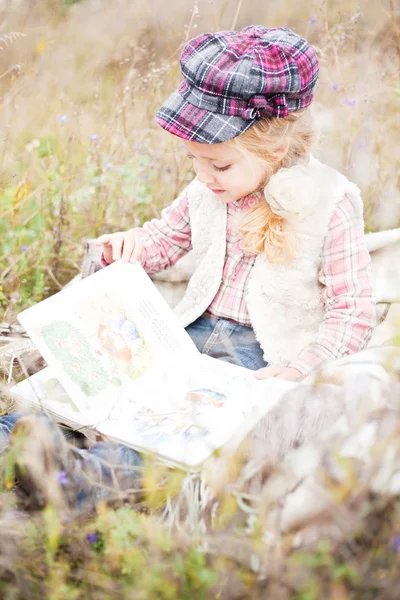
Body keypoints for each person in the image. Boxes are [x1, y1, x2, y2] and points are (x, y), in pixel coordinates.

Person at [2, 26, 375, 510]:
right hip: (185, 339)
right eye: (194, 160)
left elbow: (354, 312)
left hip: (257, 363)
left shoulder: (331, 203)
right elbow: (166, 237)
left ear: (275, 150)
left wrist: (297, 369)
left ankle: (84, 479)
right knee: (105, 398)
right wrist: (131, 245)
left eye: (217, 165)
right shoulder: (209, 188)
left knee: (181, 434)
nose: (203, 175)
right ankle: (21, 443)